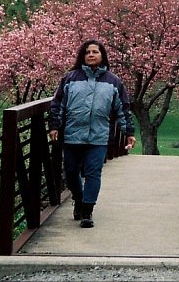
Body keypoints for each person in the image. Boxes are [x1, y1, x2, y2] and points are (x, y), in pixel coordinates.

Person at [49, 39, 136, 228]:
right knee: (71, 172)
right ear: (82, 55)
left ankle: (87, 210)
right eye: (87, 52)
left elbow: (122, 109)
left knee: (93, 173)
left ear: (102, 55)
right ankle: (79, 198)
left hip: (99, 136)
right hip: (72, 134)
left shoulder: (113, 82)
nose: (91, 55)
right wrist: (54, 126)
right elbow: (57, 104)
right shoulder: (70, 78)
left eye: (95, 52)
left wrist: (128, 132)